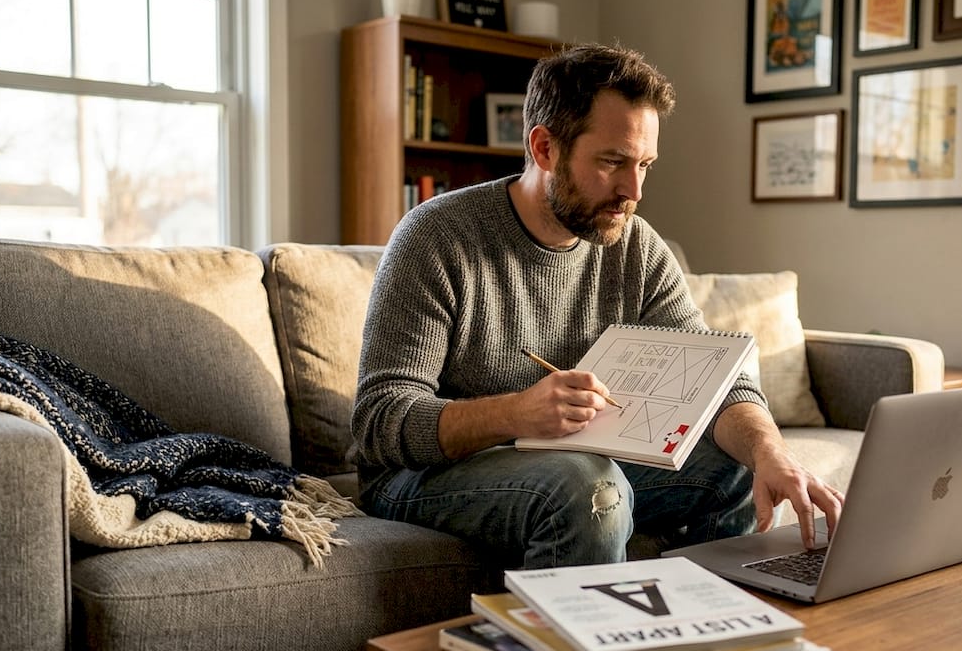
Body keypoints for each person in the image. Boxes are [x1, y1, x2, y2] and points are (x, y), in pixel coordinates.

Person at [351, 43, 843, 570]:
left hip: (569, 458)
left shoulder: (637, 247)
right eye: (612, 162)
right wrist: (517, 413)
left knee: (739, 462)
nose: (633, 189)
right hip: (423, 476)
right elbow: (382, 422)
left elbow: (714, 379)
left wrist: (770, 449)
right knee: (588, 485)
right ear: (545, 149)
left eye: (644, 165)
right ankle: (581, 648)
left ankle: (706, 631)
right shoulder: (436, 236)